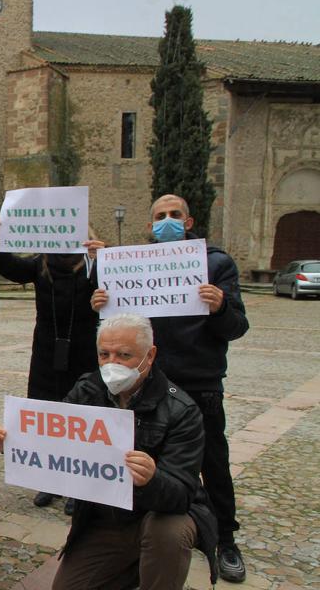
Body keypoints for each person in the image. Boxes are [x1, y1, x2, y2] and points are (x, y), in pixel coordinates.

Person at [0, 313, 218, 590]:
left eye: (124, 355)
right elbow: (55, 443)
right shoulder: (87, 390)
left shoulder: (181, 410)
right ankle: (129, 567)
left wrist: (151, 478)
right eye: (104, 354)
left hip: (157, 513)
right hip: (108, 520)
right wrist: (15, 445)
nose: (112, 364)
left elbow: (181, 493)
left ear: (150, 354)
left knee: (167, 532)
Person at [89, 194, 249, 583]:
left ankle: (225, 538)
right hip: (147, 383)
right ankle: (137, 527)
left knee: (213, 461)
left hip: (199, 381)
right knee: (140, 457)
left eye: (175, 215)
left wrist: (220, 307)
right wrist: (99, 301)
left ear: (189, 222)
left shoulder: (216, 263)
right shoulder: (132, 266)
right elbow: (114, 326)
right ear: (149, 226)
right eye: (160, 216)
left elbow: (237, 327)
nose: (167, 221)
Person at [0, 218, 105, 511]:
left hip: (85, 351)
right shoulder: (41, 264)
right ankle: (50, 481)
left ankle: (80, 486)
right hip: (47, 351)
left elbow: (119, 291)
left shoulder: (94, 264)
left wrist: (104, 261)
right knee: (47, 414)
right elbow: (11, 267)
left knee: (82, 417)